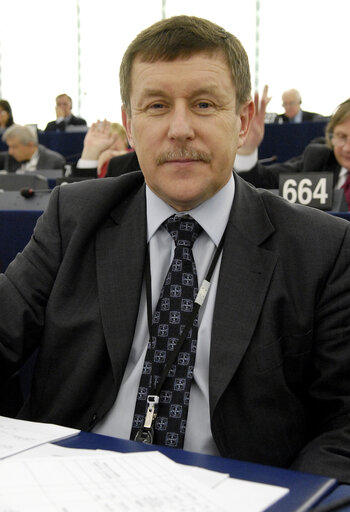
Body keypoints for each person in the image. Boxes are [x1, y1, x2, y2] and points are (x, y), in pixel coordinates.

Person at [1, 15, 350, 483]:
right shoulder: (74, 216)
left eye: (204, 104)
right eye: (157, 105)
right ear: (129, 122)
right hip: (68, 484)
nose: (180, 128)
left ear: (243, 121)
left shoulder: (321, 249)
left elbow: (343, 426)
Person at [235, 95, 350, 209]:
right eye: (341, 137)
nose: (347, 148)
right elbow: (265, 180)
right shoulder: (320, 157)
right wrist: (246, 152)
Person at [0, 124, 65, 172]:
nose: (10, 151)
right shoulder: (9, 158)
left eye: (14, 147)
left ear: (30, 145)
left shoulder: (55, 161)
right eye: (9, 146)